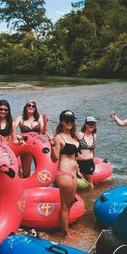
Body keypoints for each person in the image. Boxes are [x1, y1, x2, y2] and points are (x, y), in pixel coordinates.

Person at [50, 110, 80, 238]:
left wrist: (78, 172)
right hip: (64, 173)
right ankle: (66, 234)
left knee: (70, 203)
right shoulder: (59, 137)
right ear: (62, 122)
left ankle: (65, 228)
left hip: (73, 173)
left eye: (72, 120)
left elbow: (74, 157)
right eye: (67, 120)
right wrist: (52, 145)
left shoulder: (73, 137)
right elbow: (55, 158)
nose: (69, 123)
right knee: (64, 205)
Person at [13, 100, 49, 177]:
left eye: (33, 106)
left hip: (38, 146)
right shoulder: (20, 118)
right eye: (29, 105)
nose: (31, 107)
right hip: (26, 146)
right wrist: (16, 135)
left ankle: (40, 187)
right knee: (26, 172)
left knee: (41, 169)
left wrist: (45, 123)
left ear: (35, 108)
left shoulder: (39, 117)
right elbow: (12, 129)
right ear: (26, 107)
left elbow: (43, 132)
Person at [76, 116, 98, 187]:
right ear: (85, 125)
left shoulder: (94, 136)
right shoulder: (80, 134)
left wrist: (93, 160)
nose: (91, 126)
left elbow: (93, 150)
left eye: (93, 124)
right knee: (80, 183)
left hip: (89, 162)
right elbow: (73, 147)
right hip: (79, 162)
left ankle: (91, 197)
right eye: (89, 124)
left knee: (90, 183)